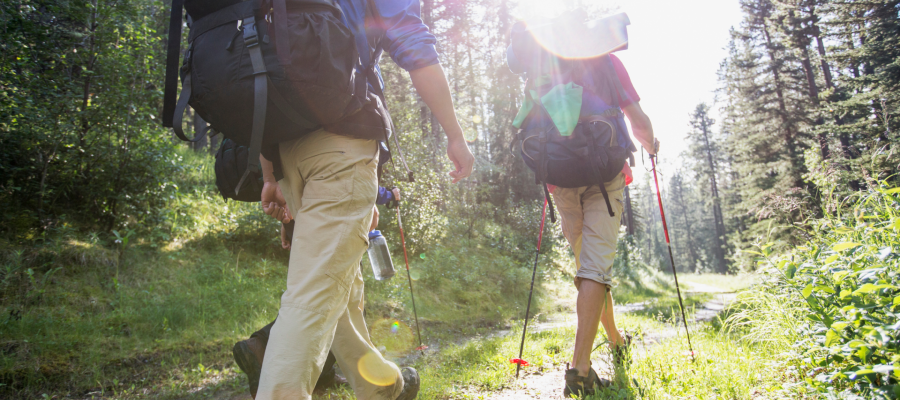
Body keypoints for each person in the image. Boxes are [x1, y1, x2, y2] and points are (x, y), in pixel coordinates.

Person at [257, 0, 474, 394]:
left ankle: (381, 386)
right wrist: (455, 135)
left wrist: (269, 171)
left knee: (339, 278)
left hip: (285, 146)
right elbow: (416, 50)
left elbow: (263, 63)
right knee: (313, 293)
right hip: (342, 141)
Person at [547, 53, 657, 396]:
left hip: (561, 178)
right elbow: (636, 119)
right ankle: (580, 370)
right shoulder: (605, 61)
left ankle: (615, 339)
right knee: (595, 269)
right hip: (605, 175)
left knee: (588, 268)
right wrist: (651, 145)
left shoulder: (544, 63)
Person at [233, 186, 403, 399]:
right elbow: (341, 163)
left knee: (331, 298)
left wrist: (288, 216)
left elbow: (295, 169)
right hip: (334, 206)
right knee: (331, 300)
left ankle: (336, 378)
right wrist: (381, 195)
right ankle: (264, 346)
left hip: (304, 207)